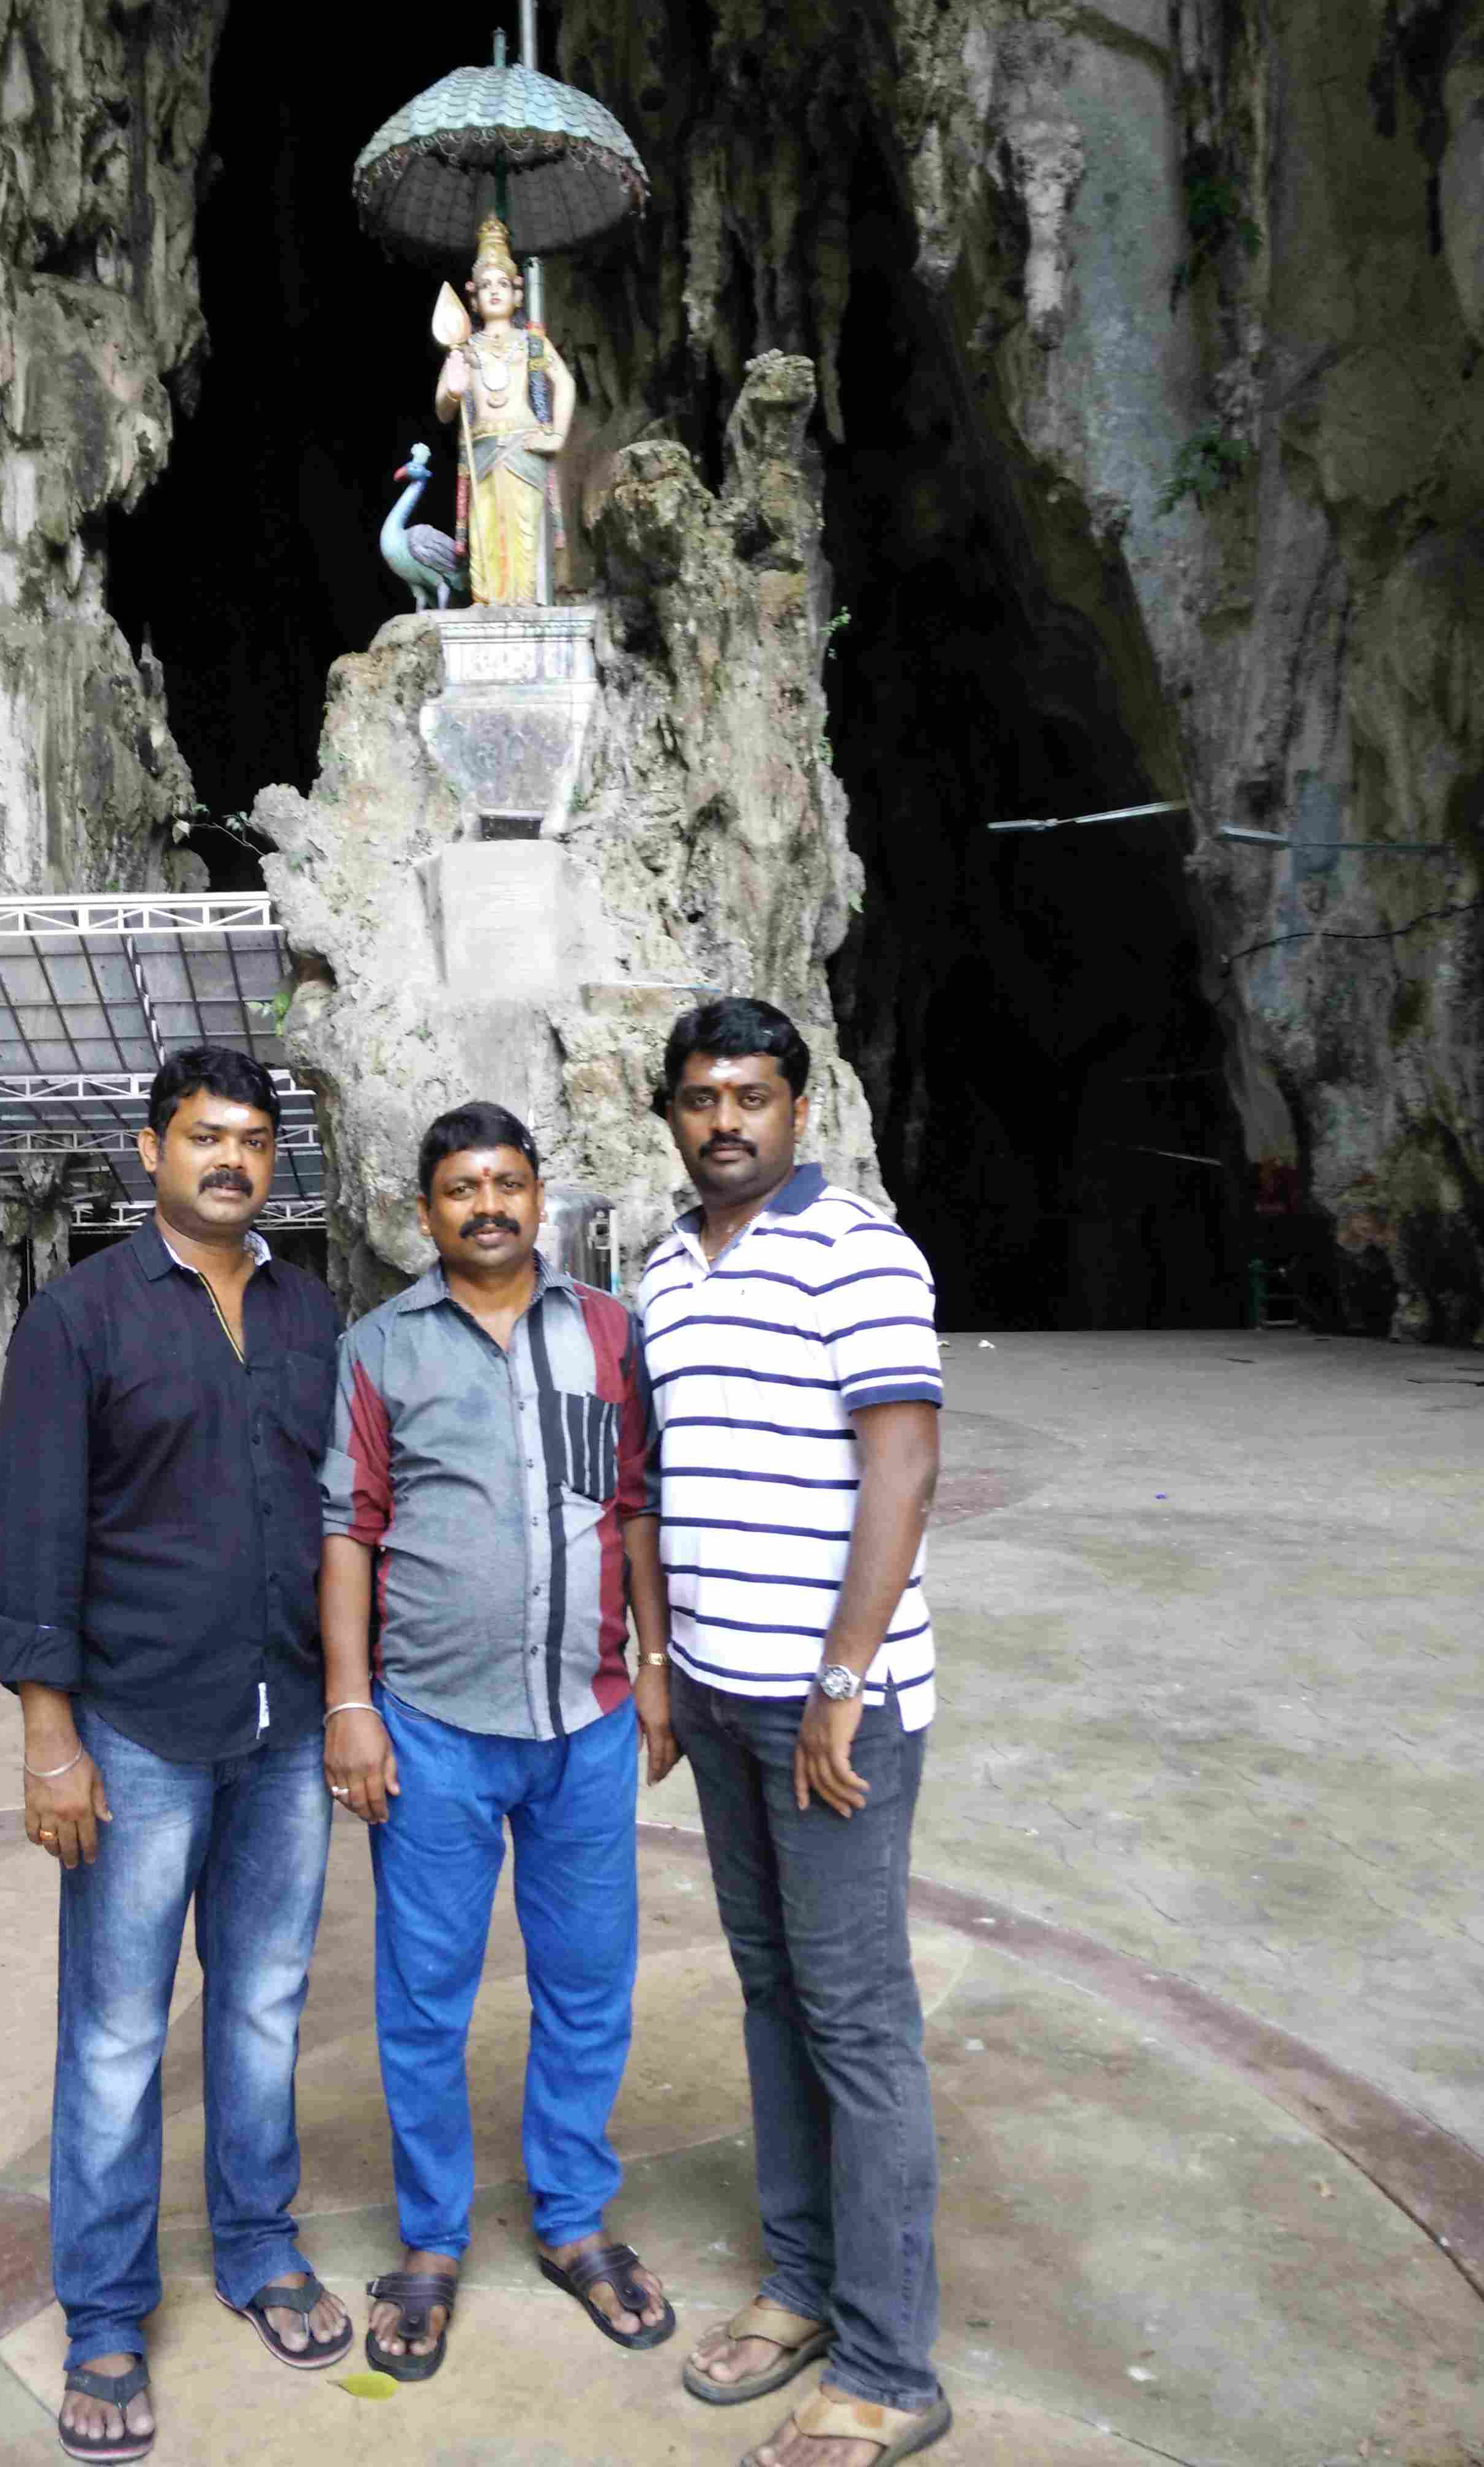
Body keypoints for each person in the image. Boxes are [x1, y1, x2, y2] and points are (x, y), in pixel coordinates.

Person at [0, 1046, 349, 2466]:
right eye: (205, 1136)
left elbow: (341, 1512)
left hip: (283, 1723)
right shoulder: (79, 1318)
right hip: (134, 1727)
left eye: (252, 1138)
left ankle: (258, 2246)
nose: (230, 1159)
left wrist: (351, 1697)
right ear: (152, 1150)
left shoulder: (309, 1310)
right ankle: (106, 2313)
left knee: (261, 2005)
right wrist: (48, 1734)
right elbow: (32, 1531)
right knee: (120, 2029)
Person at [638, 1000, 951, 2467]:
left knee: (856, 2017)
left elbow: (903, 1467)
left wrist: (840, 1678)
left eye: (752, 1095)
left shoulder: (859, 1251)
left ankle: (889, 2367)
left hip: (833, 1707)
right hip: (718, 1692)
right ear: (671, 1114)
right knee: (773, 1992)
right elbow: (659, 1483)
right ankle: (804, 2282)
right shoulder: (660, 1269)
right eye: (701, 1097)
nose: (726, 1121)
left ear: (797, 1109)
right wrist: (662, 1668)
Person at [319, 1102, 677, 2381]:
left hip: (586, 1721)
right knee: (427, 1997)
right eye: (462, 1188)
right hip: (433, 1729)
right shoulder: (379, 1348)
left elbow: (631, 1506)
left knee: (587, 1982)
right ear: (426, 1213)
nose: (488, 1206)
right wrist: (351, 1705)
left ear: (537, 1196)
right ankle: (431, 2237)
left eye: (507, 1184)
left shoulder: (608, 1334)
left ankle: (573, 2216)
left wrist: (653, 1665)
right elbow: (349, 1527)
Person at [435, 215, 575, 603]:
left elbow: (565, 384)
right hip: (481, 448)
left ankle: (523, 602)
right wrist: (453, 391)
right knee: (485, 529)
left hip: (524, 444)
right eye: (486, 286)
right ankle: (487, 601)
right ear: (473, 298)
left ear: (518, 294)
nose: (494, 292)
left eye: (502, 284)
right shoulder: (465, 348)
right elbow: (443, 409)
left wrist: (556, 435)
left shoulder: (532, 343)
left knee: (524, 530)